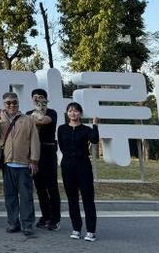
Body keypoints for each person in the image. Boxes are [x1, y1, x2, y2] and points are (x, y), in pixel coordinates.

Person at [0, 92, 40, 236]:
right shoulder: (0, 119)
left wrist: (34, 161)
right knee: (10, 197)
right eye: (8, 103)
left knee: (26, 197)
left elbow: (34, 141)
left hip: (24, 164)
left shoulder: (28, 119)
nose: (12, 105)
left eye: (14, 102)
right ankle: (13, 223)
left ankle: (27, 225)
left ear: (18, 103)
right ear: (4, 104)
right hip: (7, 164)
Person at [57, 102, 100, 242]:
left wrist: (95, 125)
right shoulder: (62, 128)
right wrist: (69, 158)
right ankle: (76, 228)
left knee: (88, 199)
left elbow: (94, 139)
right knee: (72, 199)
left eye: (75, 111)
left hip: (83, 165)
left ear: (80, 113)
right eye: (70, 111)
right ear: (67, 113)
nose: (73, 113)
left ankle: (91, 231)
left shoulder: (86, 129)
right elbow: (62, 146)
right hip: (67, 166)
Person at [26, 88, 61, 230]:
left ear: (46, 99)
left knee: (51, 186)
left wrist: (33, 118)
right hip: (34, 154)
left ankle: (55, 218)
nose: (37, 99)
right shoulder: (28, 113)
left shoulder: (51, 112)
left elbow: (44, 121)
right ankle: (45, 215)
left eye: (40, 97)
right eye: (34, 97)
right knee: (39, 187)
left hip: (48, 151)